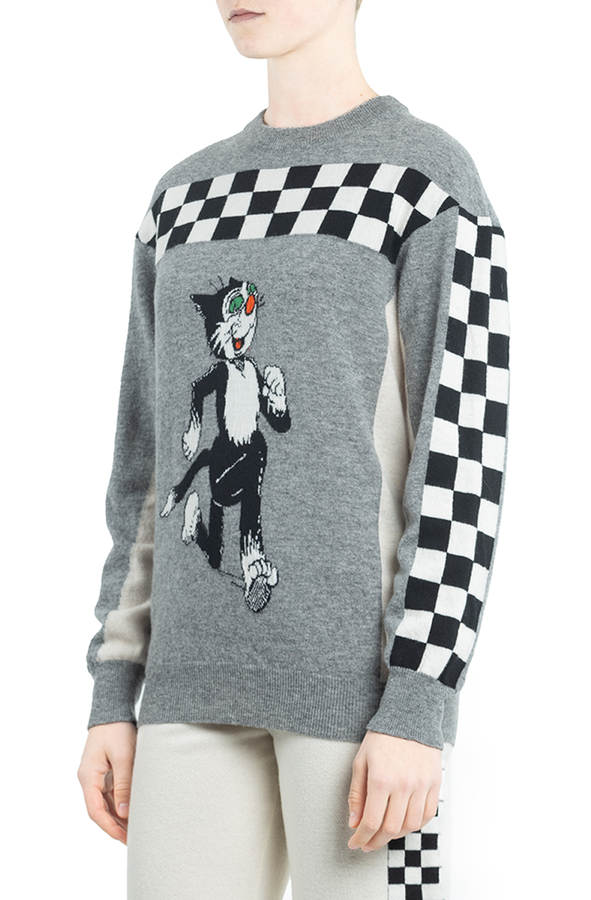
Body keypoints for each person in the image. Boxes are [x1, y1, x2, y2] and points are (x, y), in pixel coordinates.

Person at [77, 1, 510, 897]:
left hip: (360, 705)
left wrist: (419, 701)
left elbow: (461, 460)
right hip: (186, 691)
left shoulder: (425, 182)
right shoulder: (182, 201)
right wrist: (113, 690)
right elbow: (145, 465)